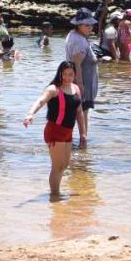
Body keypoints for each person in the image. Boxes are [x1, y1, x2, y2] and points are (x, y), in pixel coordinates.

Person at [23, 61, 86, 196]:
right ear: (60, 74)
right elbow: (40, 101)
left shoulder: (76, 89)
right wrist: (30, 114)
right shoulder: (54, 89)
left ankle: (55, 192)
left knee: (65, 164)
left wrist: (83, 134)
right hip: (54, 130)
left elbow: (79, 112)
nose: (68, 77)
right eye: (65, 74)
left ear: (75, 74)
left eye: (71, 74)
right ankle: (55, 195)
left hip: (68, 131)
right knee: (57, 166)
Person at [64, 7, 99, 143]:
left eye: (91, 24)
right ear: (78, 25)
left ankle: (76, 142)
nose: (90, 27)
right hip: (82, 83)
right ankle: (82, 143)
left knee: (79, 113)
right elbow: (77, 64)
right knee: (82, 113)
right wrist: (80, 85)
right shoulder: (78, 40)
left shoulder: (76, 36)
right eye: (86, 25)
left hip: (82, 82)